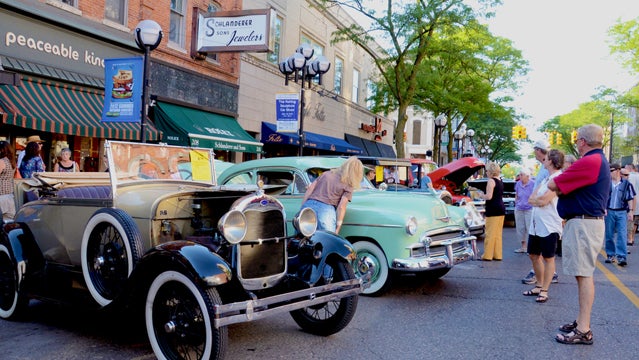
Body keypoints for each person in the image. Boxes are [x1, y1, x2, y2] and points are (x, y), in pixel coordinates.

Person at [548, 124, 609, 345]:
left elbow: (553, 183)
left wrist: (564, 188)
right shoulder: (597, 161)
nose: (576, 143)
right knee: (582, 274)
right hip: (585, 223)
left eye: (577, 140)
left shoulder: (589, 161)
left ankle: (584, 330)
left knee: (583, 276)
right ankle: (581, 321)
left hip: (584, 224)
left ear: (582, 141)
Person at [522, 149, 564, 303]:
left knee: (548, 257)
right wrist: (537, 201)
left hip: (549, 224)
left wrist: (537, 201)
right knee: (533, 255)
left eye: (545, 159)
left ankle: (545, 290)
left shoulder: (558, 178)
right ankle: (538, 285)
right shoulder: (546, 179)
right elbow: (532, 198)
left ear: (551, 161)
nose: (543, 161)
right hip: (536, 224)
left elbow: (544, 200)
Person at [301, 156, 363, 233]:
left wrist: (303, 206)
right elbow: (341, 207)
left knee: (301, 237)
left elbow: (310, 189)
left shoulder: (326, 174)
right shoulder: (349, 185)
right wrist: (338, 226)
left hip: (309, 205)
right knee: (327, 239)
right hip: (326, 211)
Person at [603, 163, 635, 266]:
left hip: (622, 211)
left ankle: (621, 256)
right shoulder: (607, 183)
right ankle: (610, 254)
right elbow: (603, 197)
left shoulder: (626, 184)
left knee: (622, 234)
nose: (609, 173)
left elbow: (630, 198)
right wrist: (603, 208)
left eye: (611, 170)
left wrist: (631, 211)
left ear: (617, 171)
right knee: (609, 234)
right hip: (609, 211)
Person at [476, 162, 505, 261]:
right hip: (501, 208)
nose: (486, 172)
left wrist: (480, 195)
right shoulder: (500, 181)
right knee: (497, 234)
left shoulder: (491, 181)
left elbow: (489, 196)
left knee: (489, 233)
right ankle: (497, 254)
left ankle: (487, 255)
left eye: (487, 170)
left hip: (493, 209)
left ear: (491, 171)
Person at [514, 167, 535, 253]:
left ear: (527, 176)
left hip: (529, 209)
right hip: (519, 208)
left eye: (522, 175)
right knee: (520, 228)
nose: (520, 176)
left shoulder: (533, 184)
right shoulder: (518, 184)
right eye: (520, 174)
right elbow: (517, 194)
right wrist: (516, 203)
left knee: (529, 228)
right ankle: (523, 246)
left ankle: (530, 248)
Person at [0, 141, 17, 222]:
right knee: (9, 221)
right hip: (9, 195)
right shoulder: (11, 162)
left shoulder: (2, 161)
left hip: (1, 195)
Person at [624, 164, 639, 246]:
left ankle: (630, 239)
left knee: (630, 221)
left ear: (629, 168)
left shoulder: (630, 177)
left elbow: (630, 192)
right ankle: (632, 237)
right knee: (635, 221)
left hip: (633, 201)